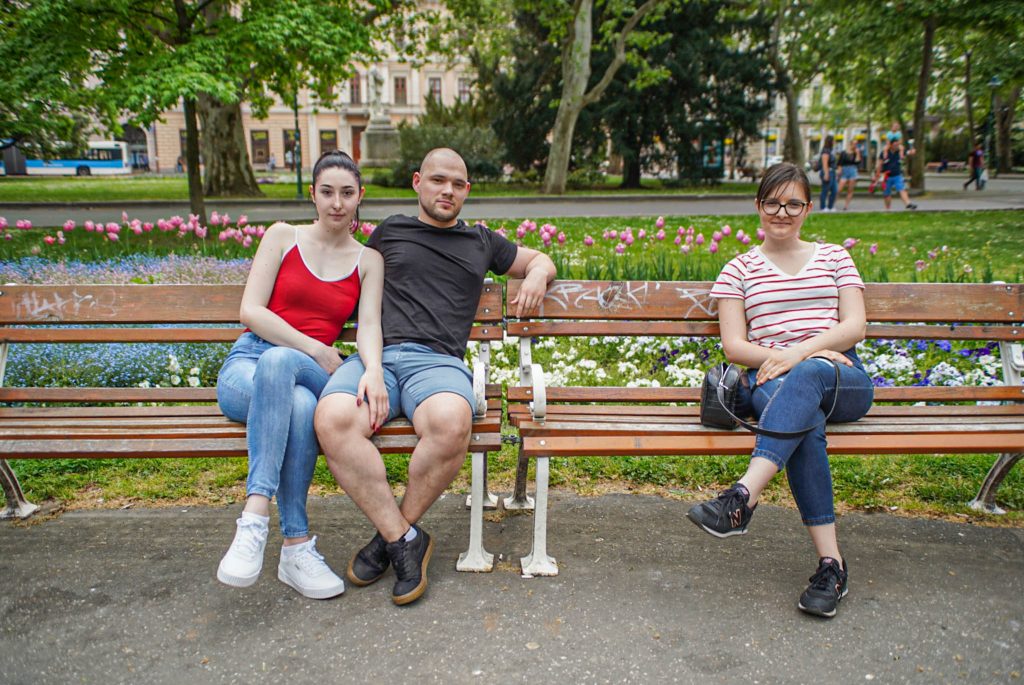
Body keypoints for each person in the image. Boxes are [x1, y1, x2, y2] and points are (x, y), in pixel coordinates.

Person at [314, 148, 556, 606]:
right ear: (417, 182)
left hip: (437, 363)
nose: (448, 191)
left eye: (458, 184)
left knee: (451, 422)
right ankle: (405, 539)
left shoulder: (481, 241)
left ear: (467, 191)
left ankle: (391, 537)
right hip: (377, 358)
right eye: (438, 180)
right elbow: (339, 269)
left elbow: (540, 258)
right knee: (332, 419)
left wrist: (537, 275)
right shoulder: (390, 232)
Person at [687, 162, 875, 618]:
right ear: (758, 206)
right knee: (803, 423)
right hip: (771, 385)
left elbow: (855, 326)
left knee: (808, 374)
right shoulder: (739, 269)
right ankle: (831, 567)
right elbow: (735, 346)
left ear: (807, 208)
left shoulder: (835, 258)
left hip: (841, 380)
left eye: (793, 203)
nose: (782, 212)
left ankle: (741, 498)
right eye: (772, 202)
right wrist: (792, 360)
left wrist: (801, 355)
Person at [215, 150, 387, 599]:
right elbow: (251, 311)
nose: (337, 203)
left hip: (308, 370)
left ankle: (254, 520)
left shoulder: (368, 260)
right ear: (312, 194)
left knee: (285, 370)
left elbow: (369, 325)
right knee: (297, 401)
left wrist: (373, 370)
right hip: (248, 367)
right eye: (327, 192)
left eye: (346, 193)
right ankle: (294, 546)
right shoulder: (282, 237)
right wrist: (313, 346)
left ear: (360, 196)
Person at [876, 137, 917, 210]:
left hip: (897, 175)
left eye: (897, 145)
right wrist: (878, 174)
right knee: (886, 194)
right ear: (891, 145)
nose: (896, 146)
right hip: (886, 176)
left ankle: (908, 204)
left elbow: (911, 152)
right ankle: (888, 209)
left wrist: (912, 148)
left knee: (902, 189)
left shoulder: (900, 152)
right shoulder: (884, 153)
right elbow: (880, 164)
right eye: (895, 145)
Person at [836, 139, 861, 211]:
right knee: (839, 189)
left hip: (853, 171)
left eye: (856, 144)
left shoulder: (856, 153)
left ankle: (846, 206)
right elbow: (839, 163)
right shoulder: (843, 153)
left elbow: (857, 162)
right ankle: (832, 205)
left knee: (850, 190)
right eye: (854, 144)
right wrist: (839, 172)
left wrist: (858, 153)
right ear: (850, 144)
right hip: (844, 171)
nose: (855, 145)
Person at [817, 135, 838, 212]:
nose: (834, 142)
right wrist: (826, 174)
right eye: (833, 141)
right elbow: (825, 163)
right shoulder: (825, 151)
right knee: (825, 190)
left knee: (834, 190)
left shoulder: (831, 150)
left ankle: (830, 206)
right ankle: (823, 207)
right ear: (830, 141)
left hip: (833, 172)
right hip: (827, 171)